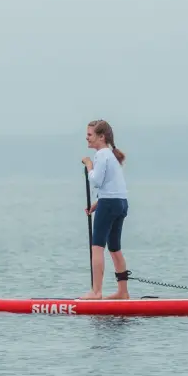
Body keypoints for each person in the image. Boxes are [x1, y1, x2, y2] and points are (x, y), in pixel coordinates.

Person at [80, 119, 130, 300]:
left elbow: (96, 180)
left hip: (109, 204)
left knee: (97, 247)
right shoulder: (111, 155)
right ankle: (123, 292)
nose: (87, 138)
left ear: (101, 137)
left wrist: (89, 165)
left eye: (89, 135)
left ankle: (96, 292)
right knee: (115, 248)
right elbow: (112, 185)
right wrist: (98, 203)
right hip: (120, 203)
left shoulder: (101, 154)